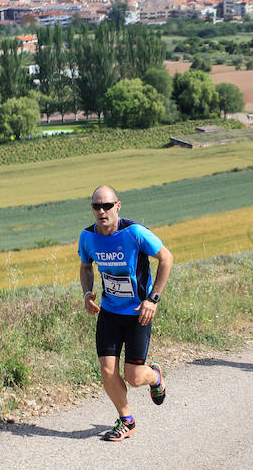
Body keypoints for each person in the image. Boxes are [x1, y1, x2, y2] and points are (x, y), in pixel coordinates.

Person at [79, 185, 173, 441]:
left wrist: (153, 299)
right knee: (107, 372)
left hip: (138, 314)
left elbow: (166, 258)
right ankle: (126, 419)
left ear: (117, 206)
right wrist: (87, 293)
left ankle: (154, 377)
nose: (102, 211)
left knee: (133, 376)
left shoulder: (135, 233)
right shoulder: (87, 237)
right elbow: (85, 266)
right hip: (109, 312)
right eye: (96, 206)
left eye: (107, 206)